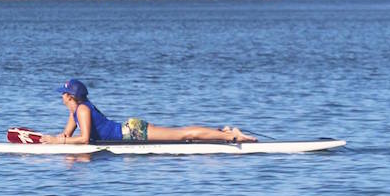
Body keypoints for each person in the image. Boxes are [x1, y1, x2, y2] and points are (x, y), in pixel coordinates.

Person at [42, 79, 257, 145]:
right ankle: (221, 131)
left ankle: (231, 136)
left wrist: (56, 141)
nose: (61, 96)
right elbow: (68, 136)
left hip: (132, 132)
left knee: (184, 135)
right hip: (128, 129)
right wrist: (58, 139)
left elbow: (85, 139)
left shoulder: (82, 110)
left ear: (70, 97)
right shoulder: (75, 112)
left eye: (63, 93)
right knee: (182, 135)